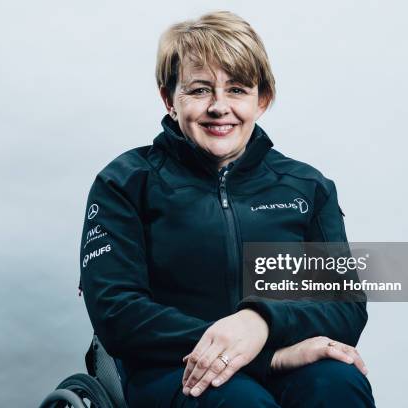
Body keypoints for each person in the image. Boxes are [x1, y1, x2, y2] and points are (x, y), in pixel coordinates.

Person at [80, 10, 376, 407]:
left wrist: (260, 322)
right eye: (200, 90)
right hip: (172, 369)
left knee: (338, 385)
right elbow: (117, 314)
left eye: (237, 89)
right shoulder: (126, 182)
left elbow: (346, 307)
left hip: (290, 361)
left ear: (262, 99)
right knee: (240, 401)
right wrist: (264, 357)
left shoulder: (307, 187)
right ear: (169, 98)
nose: (219, 107)